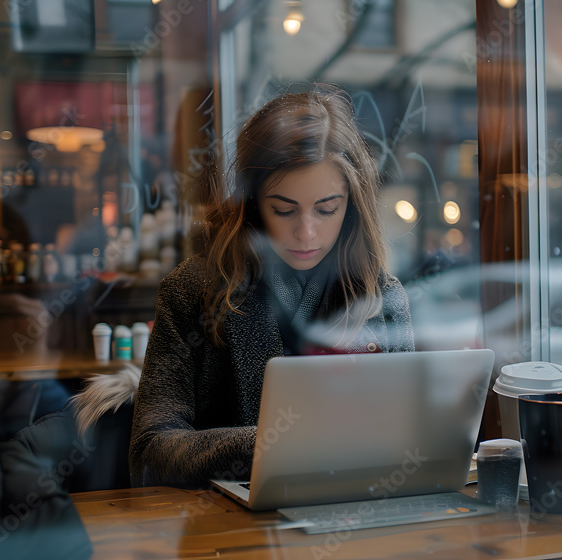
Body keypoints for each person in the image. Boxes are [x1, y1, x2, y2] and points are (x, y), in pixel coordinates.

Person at [121, 84, 414, 488]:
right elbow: (149, 454)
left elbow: (407, 438)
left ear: (352, 204)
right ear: (253, 201)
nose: (306, 232)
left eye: (327, 209)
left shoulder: (384, 298)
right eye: (283, 209)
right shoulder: (191, 291)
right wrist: (272, 445)